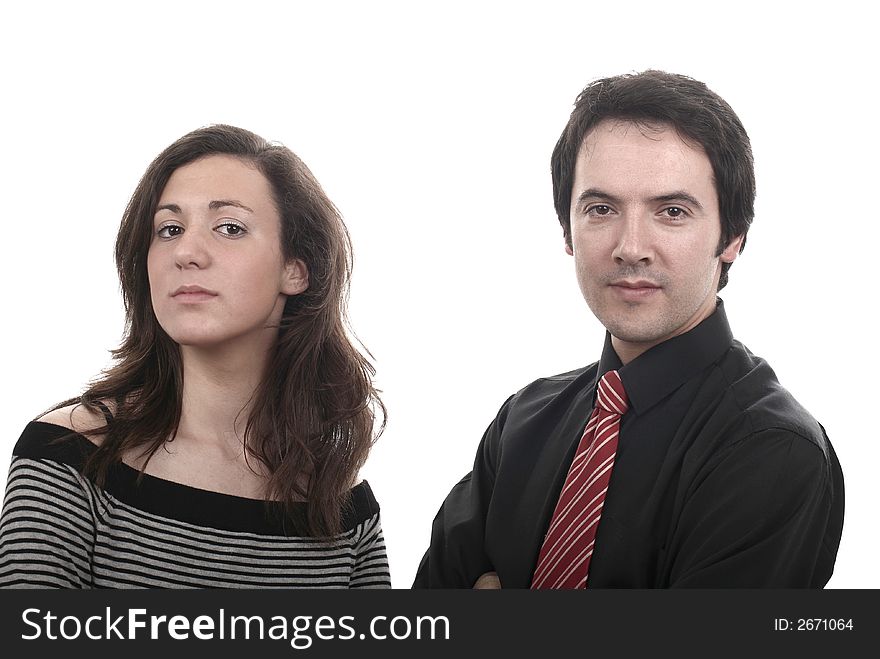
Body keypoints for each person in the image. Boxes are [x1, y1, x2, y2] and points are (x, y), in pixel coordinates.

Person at [413, 70, 844, 589]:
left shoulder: (772, 450)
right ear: (567, 231)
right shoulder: (523, 422)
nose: (630, 245)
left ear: (732, 236)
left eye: (672, 211)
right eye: (601, 209)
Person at [0, 125, 390, 588]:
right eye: (169, 229)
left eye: (229, 228)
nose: (185, 251)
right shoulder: (69, 456)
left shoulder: (343, 507)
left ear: (296, 269)